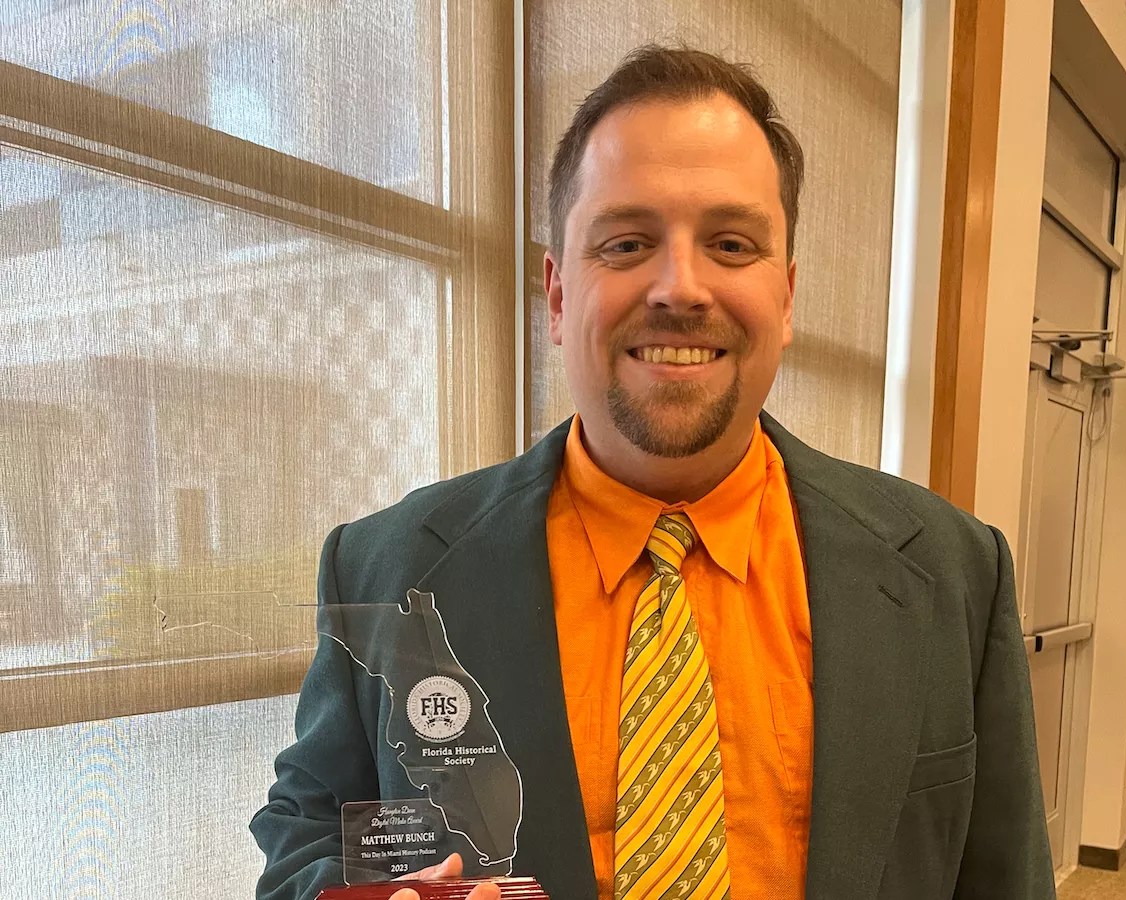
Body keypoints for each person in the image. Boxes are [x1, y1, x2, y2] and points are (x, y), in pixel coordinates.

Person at [251, 45, 1055, 900]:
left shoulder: (952, 573)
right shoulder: (388, 570)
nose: (680, 288)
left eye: (731, 244)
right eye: (628, 243)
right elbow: (306, 837)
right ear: (558, 296)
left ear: (786, 297)